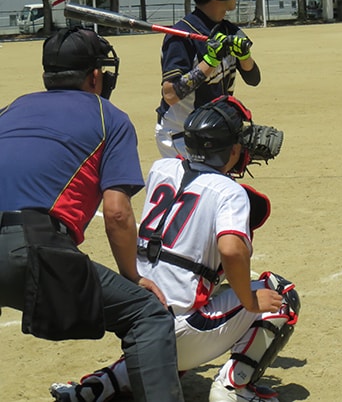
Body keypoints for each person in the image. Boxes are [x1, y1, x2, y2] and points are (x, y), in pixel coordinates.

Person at [51, 96, 300, 402]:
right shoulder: (231, 192)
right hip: (182, 330)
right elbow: (232, 250)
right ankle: (234, 388)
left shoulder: (162, 168)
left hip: (139, 322)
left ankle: (95, 389)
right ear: (233, 150)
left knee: (167, 347)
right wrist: (249, 300)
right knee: (280, 292)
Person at [0, 27, 183, 402]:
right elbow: (116, 213)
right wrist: (133, 277)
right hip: (33, 246)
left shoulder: (10, 109)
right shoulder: (108, 116)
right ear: (95, 76)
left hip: (18, 241)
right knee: (146, 315)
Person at [156, 0, 262, 157]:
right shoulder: (181, 36)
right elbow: (169, 95)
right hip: (180, 134)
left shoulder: (229, 30)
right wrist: (210, 61)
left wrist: (244, 56)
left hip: (211, 131)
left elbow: (254, 79)